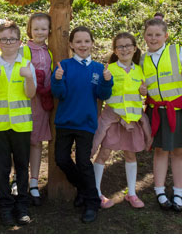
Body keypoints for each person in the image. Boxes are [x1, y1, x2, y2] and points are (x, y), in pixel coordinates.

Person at [51, 26, 113, 223]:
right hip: (65, 122)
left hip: (86, 124)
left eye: (86, 41)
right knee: (61, 159)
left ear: (92, 43)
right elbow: (58, 94)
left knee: (84, 162)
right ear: (71, 44)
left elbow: (103, 95)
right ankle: (85, 190)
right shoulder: (64, 66)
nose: (82, 45)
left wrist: (106, 82)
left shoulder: (98, 68)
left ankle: (92, 202)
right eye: (78, 41)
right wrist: (58, 80)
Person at [91, 32, 152, 209]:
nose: (124, 49)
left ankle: (131, 193)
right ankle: (96, 193)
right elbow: (102, 94)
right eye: (120, 46)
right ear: (115, 51)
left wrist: (143, 91)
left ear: (134, 48)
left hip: (132, 122)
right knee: (103, 154)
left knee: (130, 155)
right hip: (113, 120)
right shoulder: (109, 69)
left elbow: (143, 94)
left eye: (128, 46)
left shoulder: (140, 71)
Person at [0, 21, 37, 226]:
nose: (8, 43)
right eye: (4, 39)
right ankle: (5, 206)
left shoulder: (26, 64)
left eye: (12, 39)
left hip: (22, 125)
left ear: (19, 42)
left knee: (22, 167)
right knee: (2, 168)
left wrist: (29, 79)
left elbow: (31, 94)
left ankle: (22, 206)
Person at [140, 18, 182, 212]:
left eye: (157, 35)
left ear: (166, 36)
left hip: (178, 110)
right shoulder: (142, 59)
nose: (153, 38)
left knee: (178, 151)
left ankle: (179, 191)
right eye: (150, 35)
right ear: (145, 37)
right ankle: (159, 190)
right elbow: (140, 85)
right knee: (159, 150)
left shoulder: (177, 52)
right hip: (156, 111)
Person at [19, 13, 54, 206]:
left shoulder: (51, 50)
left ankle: (34, 181)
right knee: (21, 141)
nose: (40, 32)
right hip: (25, 101)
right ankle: (18, 179)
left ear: (49, 30)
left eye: (43, 29)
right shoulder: (24, 50)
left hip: (42, 102)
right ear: (29, 30)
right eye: (36, 29)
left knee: (37, 141)